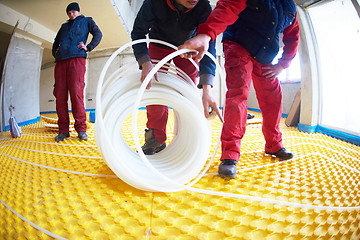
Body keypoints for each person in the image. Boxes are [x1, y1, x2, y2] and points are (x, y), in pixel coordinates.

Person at [179, 0, 300, 178]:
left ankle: (274, 144)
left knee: (273, 98)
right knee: (238, 95)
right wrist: (206, 34)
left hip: (265, 56)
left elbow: (292, 36)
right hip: (239, 45)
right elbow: (228, 7)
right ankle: (230, 155)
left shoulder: (290, 7)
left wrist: (283, 64)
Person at [131, 0, 221, 155]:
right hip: (158, 44)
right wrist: (145, 62)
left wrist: (207, 87)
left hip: (189, 47)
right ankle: (156, 139)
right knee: (156, 91)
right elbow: (138, 32)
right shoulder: (154, 3)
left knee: (187, 93)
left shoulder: (202, 6)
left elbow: (208, 46)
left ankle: (186, 137)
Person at [52, 2, 102, 142]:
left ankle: (81, 129)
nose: (71, 14)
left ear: (78, 11)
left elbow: (98, 34)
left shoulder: (87, 21)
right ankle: (63, 131)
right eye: (69, 12)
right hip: (61, 61)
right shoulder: (64, 26)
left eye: (73, 11)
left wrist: (88, 47)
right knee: (60, 96)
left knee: (76, 93)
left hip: (77, 60)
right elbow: (56, 42)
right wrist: (55, 53)